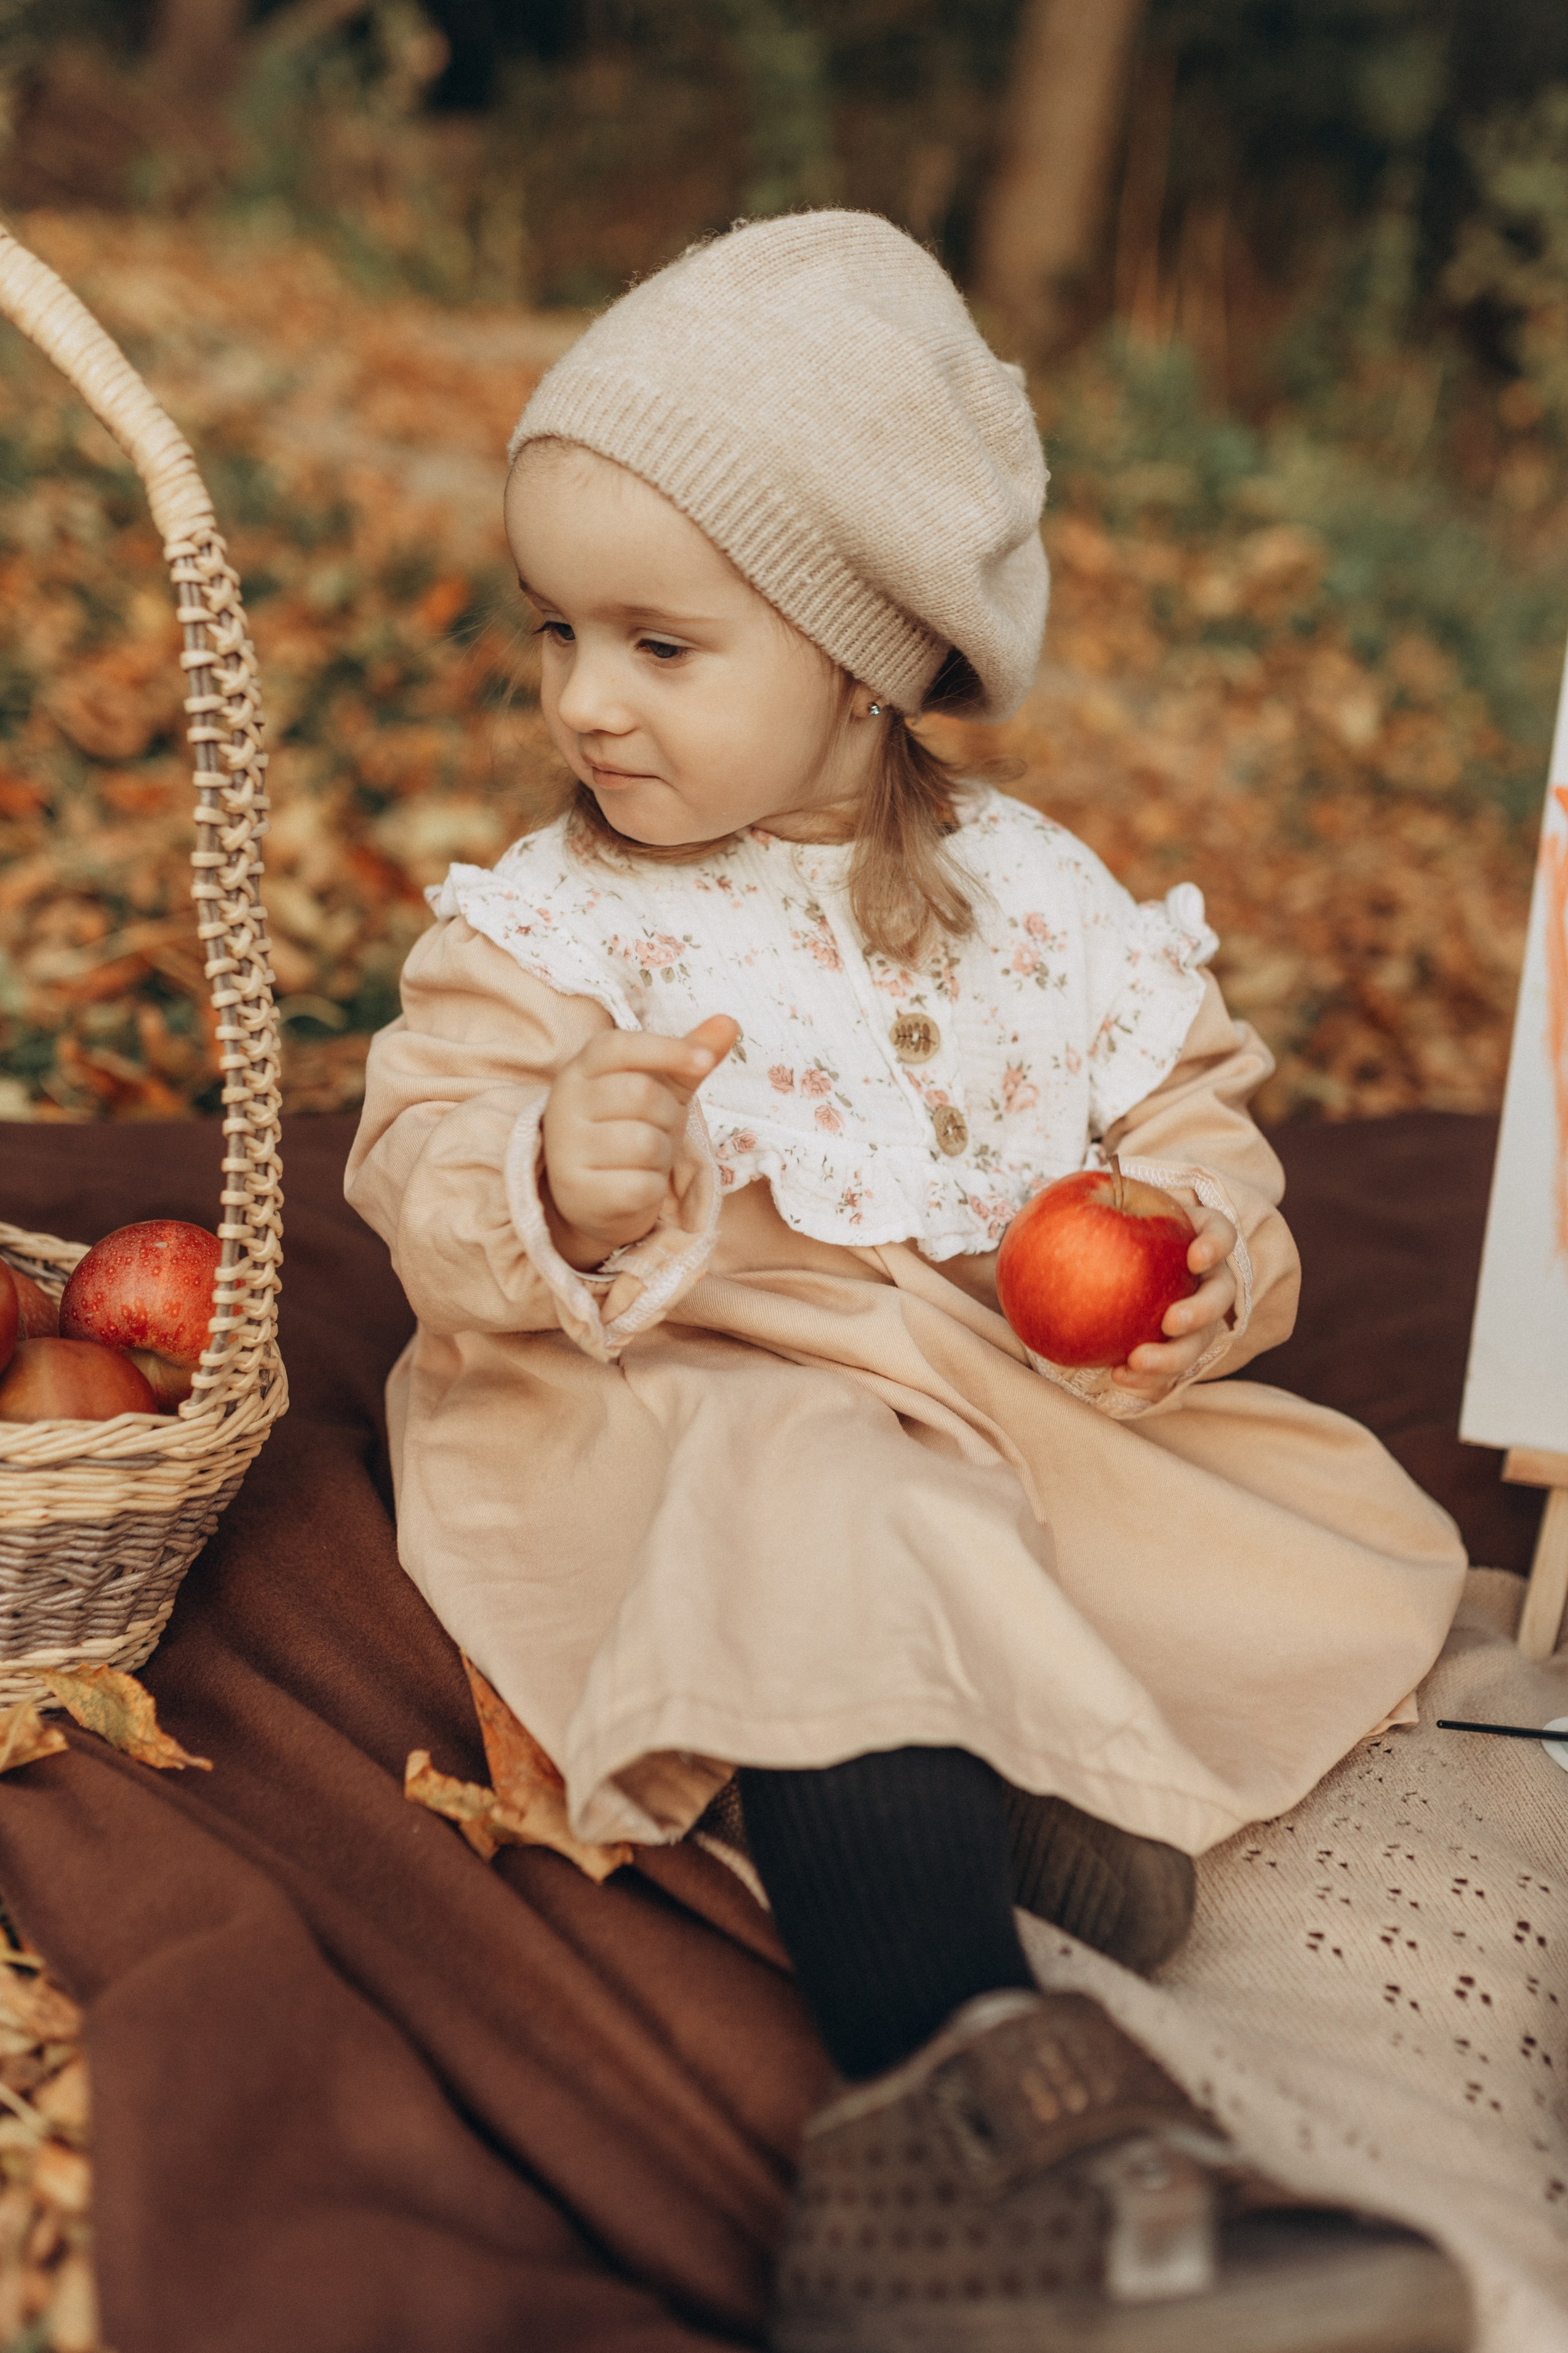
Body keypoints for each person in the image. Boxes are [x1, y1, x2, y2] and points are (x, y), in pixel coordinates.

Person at [346, 212, 1472, 2350]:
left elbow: (1192, 1116)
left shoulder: (1035, 904)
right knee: (826, 1497)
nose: (583, 700)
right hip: (683, 1393)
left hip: (986, 1394)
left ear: (863, 655)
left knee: (1039, 1518)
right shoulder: (560, 928)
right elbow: (417, 1157)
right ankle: (971, 2141)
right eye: (554, 633)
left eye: (657, 646)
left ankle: (1019, 1792)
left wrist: (1210, 1249)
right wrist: (552, 1176)